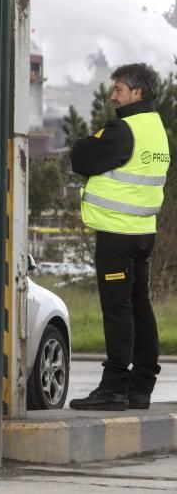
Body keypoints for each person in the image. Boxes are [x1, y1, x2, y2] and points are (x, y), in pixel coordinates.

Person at [69, 63, 170, 411]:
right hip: (143, 233)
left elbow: (81, 157)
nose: (113, 96)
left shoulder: (123, 129)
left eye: (119, 90)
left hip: (117, 233)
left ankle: (113, 387)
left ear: (137, 93)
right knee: (140, 307)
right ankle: (141, 386)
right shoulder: (156, 128)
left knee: (118, 310)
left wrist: (89, 141)